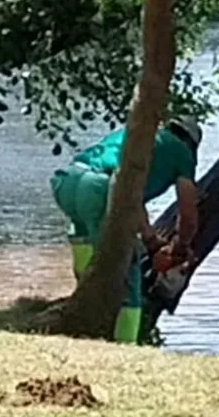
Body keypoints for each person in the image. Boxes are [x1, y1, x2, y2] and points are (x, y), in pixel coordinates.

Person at [51, 117, 203, 344]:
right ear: (192, 143)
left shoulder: (139, 134)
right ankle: (126, 343)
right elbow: (188, 215)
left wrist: (151, 240)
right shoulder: (182, 152)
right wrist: (179, 247)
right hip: (100, 188)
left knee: (87, 245)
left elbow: (131, 196)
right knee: (127, 266)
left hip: (68, 181)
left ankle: (80, 308)